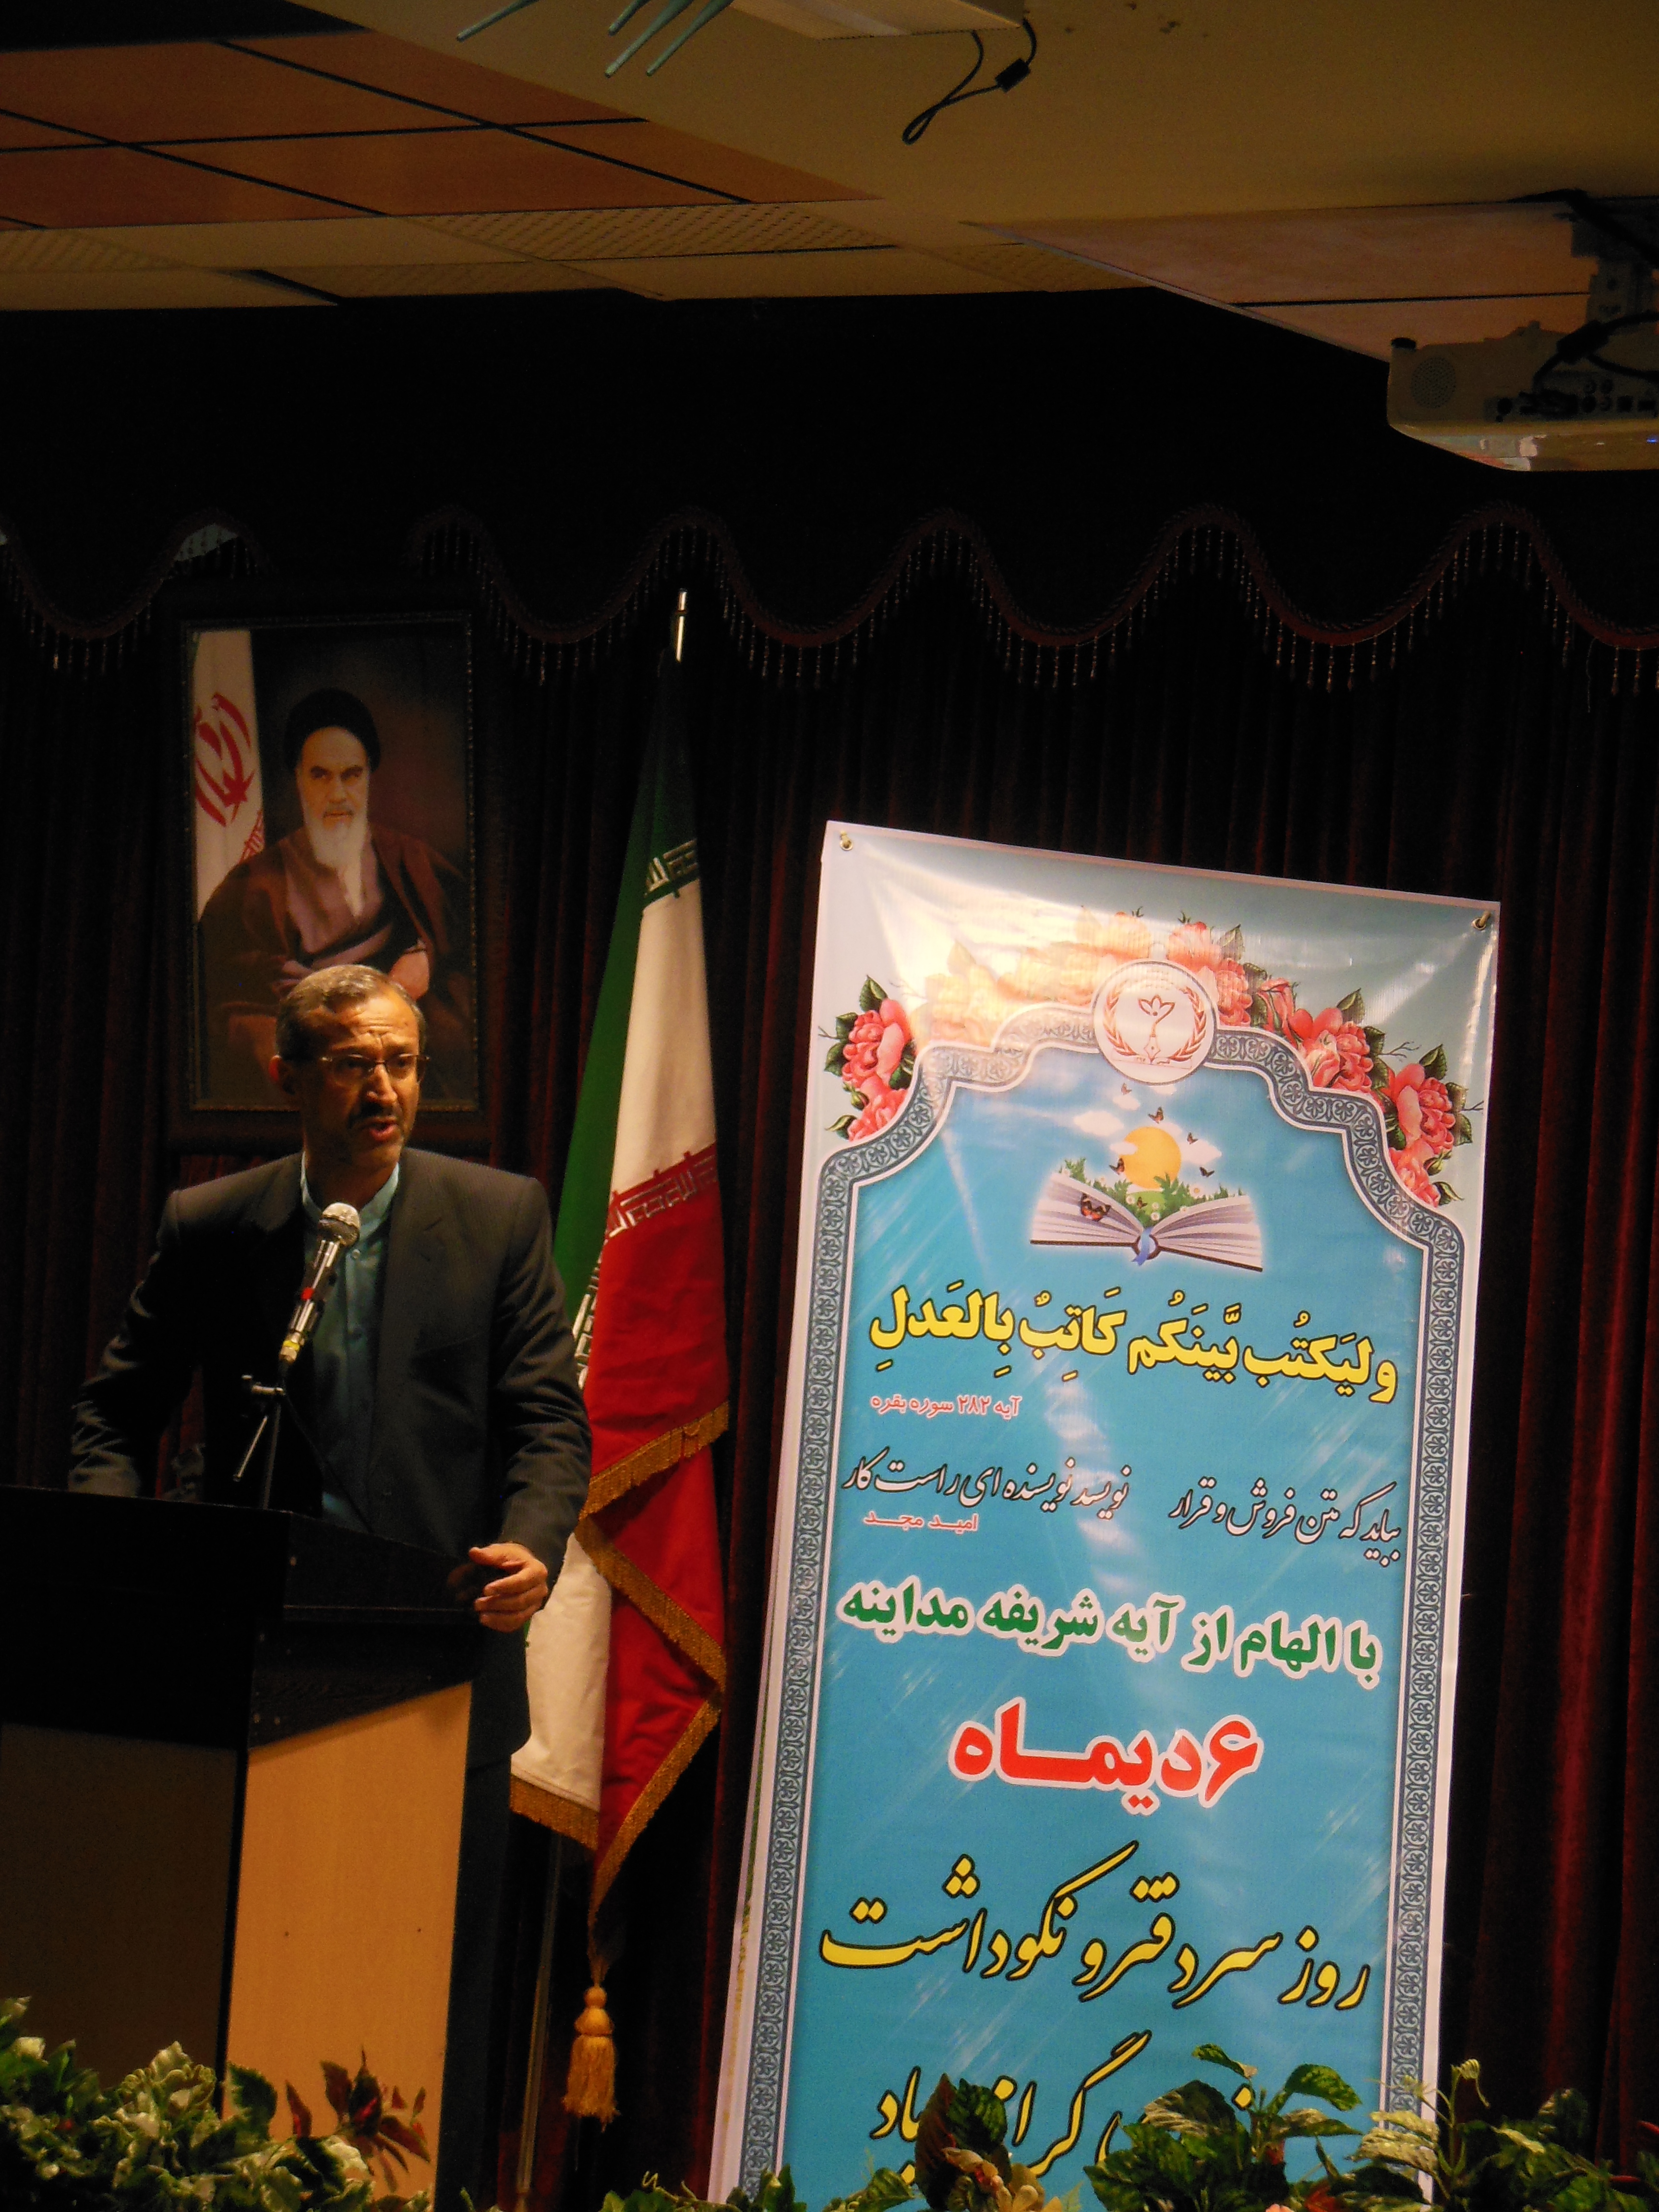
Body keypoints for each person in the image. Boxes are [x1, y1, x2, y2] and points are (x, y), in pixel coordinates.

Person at [71, 965, 590, 2212]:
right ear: (289, 1078)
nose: (386, 1089)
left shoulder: (498, 1217)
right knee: (252, 1968)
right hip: (259, 1669)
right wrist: (119, 1564)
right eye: (356, 1064)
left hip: (440, 1664)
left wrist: (532, 1546)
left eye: (404, 1063)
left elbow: (547, 1423)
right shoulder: (217, 1226)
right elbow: (114, 1416)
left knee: (435, 1990)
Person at [199, 687, 473, 1104]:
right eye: (321, 776)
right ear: (298, 778)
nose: (339, 794)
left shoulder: (410, 860)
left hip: (394, 1033)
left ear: (369, 777)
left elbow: (467, 944)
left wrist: (427, 960)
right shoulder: (252, 886)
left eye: (351, 775)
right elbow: (230, 998)